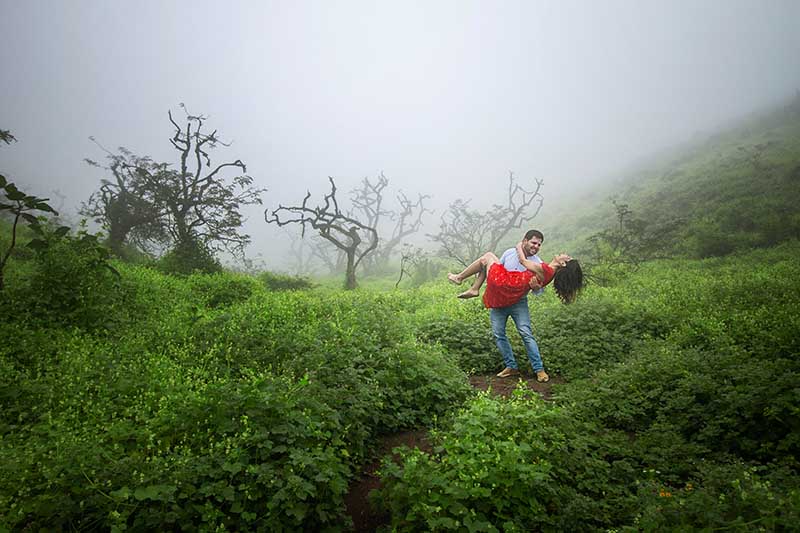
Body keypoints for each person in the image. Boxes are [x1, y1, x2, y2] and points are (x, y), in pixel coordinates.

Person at [447, 230, 583, 382]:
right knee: (499, 333)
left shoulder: (542, 265)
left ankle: (539, 369)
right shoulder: (542, 268)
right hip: (501, 295)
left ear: (563, 263)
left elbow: (525, 265)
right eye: (534, 243)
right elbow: (497, 269)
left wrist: (519, 248)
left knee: (526, 333)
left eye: (539, 244)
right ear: (526, 240)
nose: (536, 246)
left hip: (514, 295)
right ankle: (511, 366)